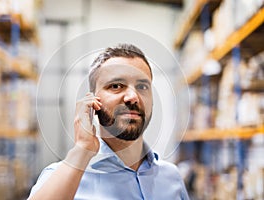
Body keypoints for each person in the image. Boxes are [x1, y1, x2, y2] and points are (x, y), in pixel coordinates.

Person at [28, 44, 189, 200]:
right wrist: (83, 149)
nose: (133, 97)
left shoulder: (172, 178)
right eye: (116, 86)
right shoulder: (60, 180)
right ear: (92, 100)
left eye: (142, 86)